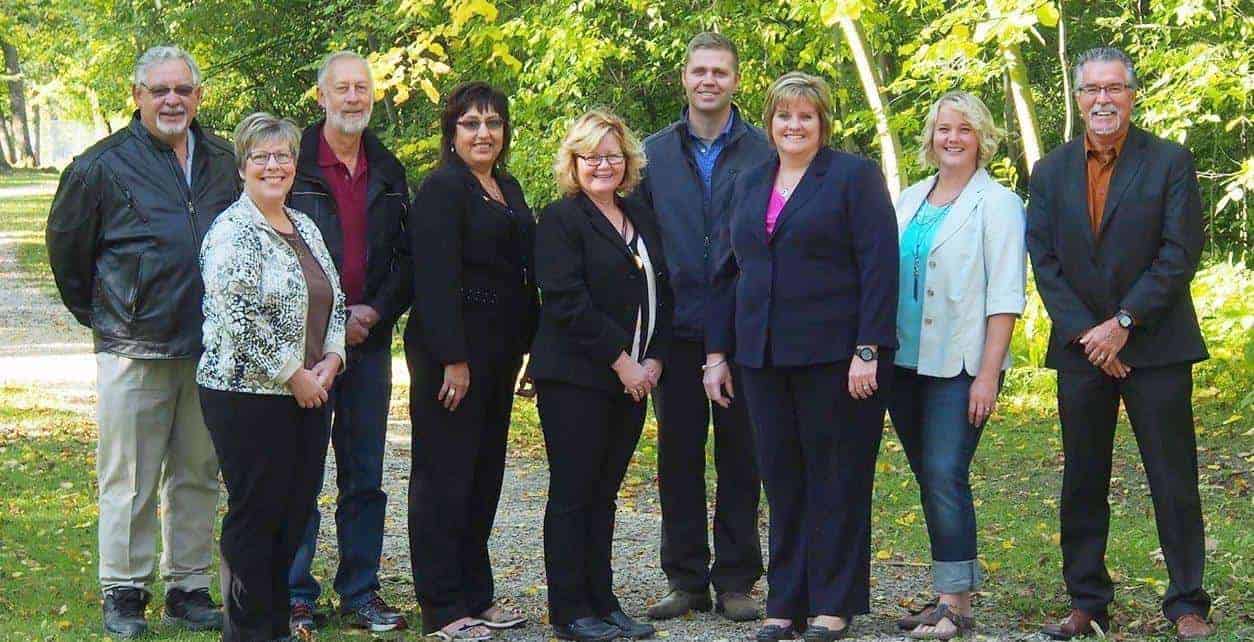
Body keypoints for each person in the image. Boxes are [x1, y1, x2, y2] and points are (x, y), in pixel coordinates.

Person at [45, 45, 237, 639]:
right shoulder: (100, 165)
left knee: (198, 472)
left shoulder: (224, 159)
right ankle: (124, 590)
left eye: (182, 89)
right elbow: (68, 251)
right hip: (135, 345)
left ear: (199, 96)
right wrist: (108, 313)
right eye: (159, 91)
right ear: (138, 97)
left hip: (209, 346)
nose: (172, 100)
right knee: (128, 477)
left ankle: (188, 585)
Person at [1027, 47, 1215, 641]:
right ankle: (1087, 601)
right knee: (1082, 478)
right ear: (1077, 97)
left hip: (1156, 347)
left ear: (1132, 94)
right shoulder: (1049, 170)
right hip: (1082, 351)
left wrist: (1124, 323)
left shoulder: (1170, 162)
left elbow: (1178, 253)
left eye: (1115, 88)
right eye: (1092, 90)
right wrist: (1089, 332)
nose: (1103, 100)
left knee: (1173, 478)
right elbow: (1045, 259)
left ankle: (1187, 602)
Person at [704, 72, 898, 642]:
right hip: (760, 359)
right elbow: (725, 273)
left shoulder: (853, 178)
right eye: (784, 116)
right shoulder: (747, 180)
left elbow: (879, 267)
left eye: (805, 116)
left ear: (822, 124)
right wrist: (717, 354)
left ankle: (832, 604)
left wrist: (868, 348)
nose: (794, 125)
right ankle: (785, 601)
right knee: (781, 480)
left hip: (836, 358)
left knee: (834, 480)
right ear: (770, 122)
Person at [198, 112, 347, 641]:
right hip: (247, 396)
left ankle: (273, 624)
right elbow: (237, 318)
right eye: (260, 156)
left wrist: (332, 358)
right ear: (242, 167)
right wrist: (293, 374)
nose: (273, 165)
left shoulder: (303, 224)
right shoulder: (230, 231)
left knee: (292, 514)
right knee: (256, 517)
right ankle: (248, 631)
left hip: (311, 392)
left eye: (282, 155)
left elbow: (336, 297)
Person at [636, 31, 768, 623]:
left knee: (743, 456)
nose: (709, 80)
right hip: (678, 328)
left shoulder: (765, 151)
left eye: (720, 71)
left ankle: (737, 578)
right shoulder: (653, 154)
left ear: (736, 81)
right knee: (679, 458)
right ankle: (685, 578)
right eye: (700, 71)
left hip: (746, 331)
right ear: (684, 78)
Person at [529, 109, 674, 642]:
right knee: (574, 492)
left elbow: (662, 291)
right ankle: (569, 611)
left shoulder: (639, 214)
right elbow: (567, 301)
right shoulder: (561, 219)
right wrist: (623, 361)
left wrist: (654, 358)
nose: (602, 165)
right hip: (577, 378)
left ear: (628, 161)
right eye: (590, 156)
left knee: (605, 493)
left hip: (634, 379)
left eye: (612, 155)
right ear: (573, 162)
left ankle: (603, 600)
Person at [887, 91, 1026, 640]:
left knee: (946, 474)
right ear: (930, 135)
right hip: (905, 363)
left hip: (963, 364)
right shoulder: (910, 198)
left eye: (964, 129)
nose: (952, 138)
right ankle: (950, 594)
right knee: (929, 476)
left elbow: (1006, 297)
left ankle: (955, 607)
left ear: (982, 138)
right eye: (944, 128)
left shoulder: (998, 203)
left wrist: (988, 375)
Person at [404, 81, 539, 641]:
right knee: (445, 476)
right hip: (451, 354)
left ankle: (475, 595)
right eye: (471, 123)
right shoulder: (442, 190)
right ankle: (442, 605)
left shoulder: (506, 185)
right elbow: (434, 282)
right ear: (451, 132)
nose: (484, 133)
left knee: (484, 475)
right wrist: (453, 360)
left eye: (493, 122)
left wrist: (532, 348)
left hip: (500, 352)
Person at [284, 50, 410, 635]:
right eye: (343, 88)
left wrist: (376, 309)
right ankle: (294, 593)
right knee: (301, 473)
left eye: (363, 87)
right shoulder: (293, 164)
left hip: (369, 342)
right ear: (321, 97)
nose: (354, 97)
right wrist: (332, 316)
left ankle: (360, 591)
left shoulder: (388, 168)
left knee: (364, 476)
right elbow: (280, 250)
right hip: (309, 349)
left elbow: (406, 258)